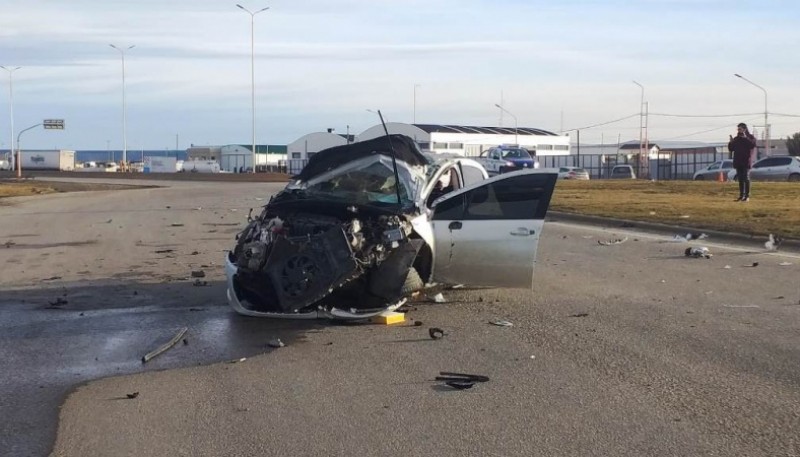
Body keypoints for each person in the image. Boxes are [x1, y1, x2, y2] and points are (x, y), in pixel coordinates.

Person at [728, 122, 757, 202]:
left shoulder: (750, 137)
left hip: (746, 161)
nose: (738, 130)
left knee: (745, 178)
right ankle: (741, 195)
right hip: (738, 161)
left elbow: (752, 145)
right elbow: (731, 149)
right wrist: (730, 142)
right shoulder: (736, 139)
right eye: (738, 129)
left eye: (740, 129)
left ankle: (747, 196)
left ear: (744, 129)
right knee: (740, 179)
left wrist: (745, 138)